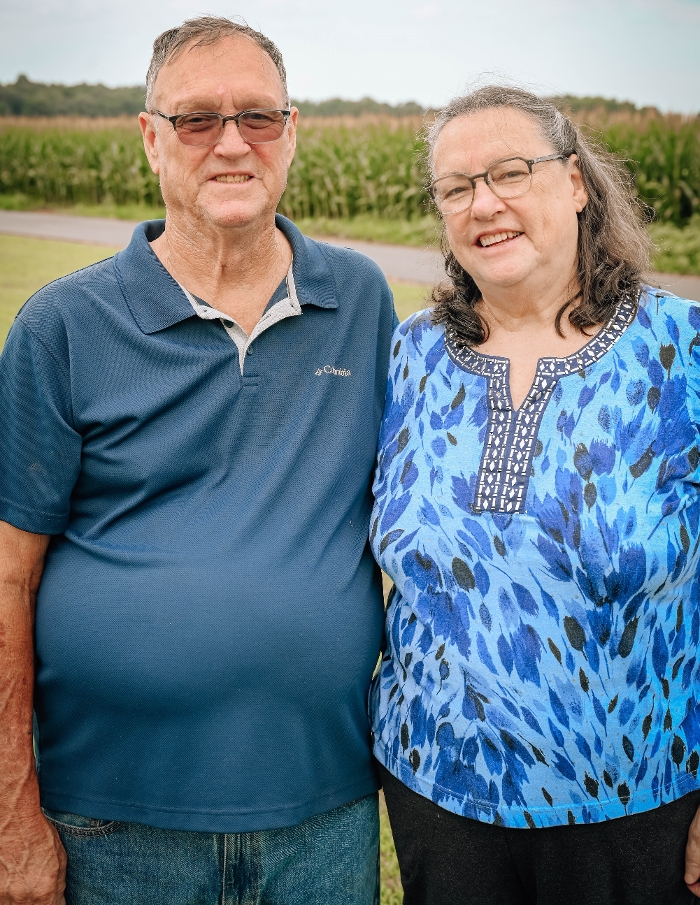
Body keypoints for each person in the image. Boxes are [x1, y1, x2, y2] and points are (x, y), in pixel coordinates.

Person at [0, 16, 395, 905]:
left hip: (323, 816)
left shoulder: (361, 300)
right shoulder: (62, 326)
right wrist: (11, 818)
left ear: (292, 133)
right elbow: (7, 579)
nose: (231, 144)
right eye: (196, 120)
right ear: (149, 137)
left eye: (258, 117)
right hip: (112, 823)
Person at [370, 84, 700, 905]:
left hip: (636, 803)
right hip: (435, 792)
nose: (485, 203)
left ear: (578, 182)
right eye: (457, 187)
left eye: (511, 172)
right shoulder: (411, 355)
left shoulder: (681, 353)